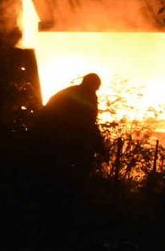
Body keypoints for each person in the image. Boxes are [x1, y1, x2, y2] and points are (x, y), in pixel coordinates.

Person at [26, 73, 105, 246]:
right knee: (64, 191)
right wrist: (98, 146)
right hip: (62, 149)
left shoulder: (69, 93)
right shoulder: (84, 96)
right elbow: (85, 125)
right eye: (97, 85)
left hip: (52, 147)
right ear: (93, 85)